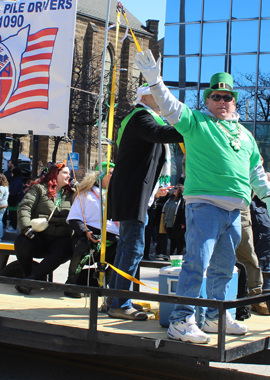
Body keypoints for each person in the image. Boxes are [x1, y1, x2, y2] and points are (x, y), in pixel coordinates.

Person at [134, 49, 270, 342]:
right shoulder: (196, 121)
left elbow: (257, 172)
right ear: (207, 100)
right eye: (216, 97)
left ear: (234, 101)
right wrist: (154, 79)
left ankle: (215, 316)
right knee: (196, 263)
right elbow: (169, 105)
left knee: (224, 268)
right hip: (205, 205)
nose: (222, 102)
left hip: (235, 210)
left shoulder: (245, 135)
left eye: (227, 97)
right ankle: (181, 320)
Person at [106, 83, 184, 321]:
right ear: (148, 97)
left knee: (127, 247)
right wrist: (193, 127)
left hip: (133, 192)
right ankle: (119, 302)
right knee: (133, 248)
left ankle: (115, 299)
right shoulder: (141, 117)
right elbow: (161, 134)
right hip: (132, 193)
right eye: (160, 96)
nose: (164, 101)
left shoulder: (139, 118)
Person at [14, 163, 74, 294]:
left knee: (65, 248)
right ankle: (28, 274)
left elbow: (85, 203)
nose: (68, 176)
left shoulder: (72, 193)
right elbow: (24, 207)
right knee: (21, 242)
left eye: (69, 173)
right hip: (39, 235)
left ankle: (31, 279)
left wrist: (79, 188)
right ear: (54, 174)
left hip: (60, 237)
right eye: (64, 172)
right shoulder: (39, 189)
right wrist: (26, 229)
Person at [64, 162, 119, 298]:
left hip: (114, 237)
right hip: (90, 235)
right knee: (82, 245)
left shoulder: (118, 195)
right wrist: (85, 232)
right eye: (111, 173)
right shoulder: (86, 194)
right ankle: (71, 283)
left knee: (123, 250)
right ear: (102, 175)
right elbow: (74, 218)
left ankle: (109, 285)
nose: (114, 176)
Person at [252, 172, 270, 292]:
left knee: (268, 289)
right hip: (257, 255)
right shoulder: (252, 203)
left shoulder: (269, 205)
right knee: (255, 288)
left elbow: (269, 228)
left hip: (268, 256)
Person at [162, 184, 186, 256]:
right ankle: (171, 255)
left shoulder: (183, 200)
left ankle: (178, 255)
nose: (174, 190)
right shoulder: (170, 199)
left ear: (180, 190)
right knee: (172, 239)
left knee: (178, 240)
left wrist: (183, 223)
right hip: (168, 222)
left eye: (176, 188)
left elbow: (184, 212)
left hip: (177, 223)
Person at [6, 167, 24, 234]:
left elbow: (15, 191)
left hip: (15, 199)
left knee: (13, 214)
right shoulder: (17, 180)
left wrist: (9, 193)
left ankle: (13, 227)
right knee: (12, 213)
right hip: (14, 198)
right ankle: (12, 226)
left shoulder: (17, 181)